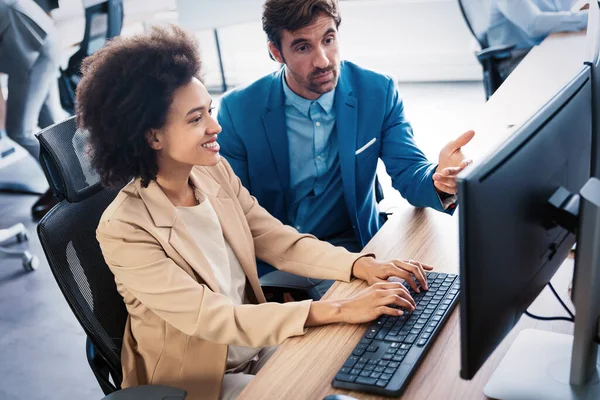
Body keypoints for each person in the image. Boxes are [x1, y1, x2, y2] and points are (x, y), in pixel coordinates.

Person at [79, 25, 433, 400]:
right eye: (196, 119)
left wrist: (361, 265)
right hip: (199, 380)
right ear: (153, 137)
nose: (215, 126)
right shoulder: (124, 228)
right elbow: (212, 318)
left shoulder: (211, 171)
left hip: (258, 343)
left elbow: (277, 239)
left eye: (210, 111)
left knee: (365, 367)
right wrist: (339, 307)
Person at [217, 0, 473, 300]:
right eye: (303, 48)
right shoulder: (238, 110)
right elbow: (233, 212)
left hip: (356, 247)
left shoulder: (377, 91)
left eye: (328, 40)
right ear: (276, 52)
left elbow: (408, 171)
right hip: (278, 262)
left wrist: (441, 179)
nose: (323, 60)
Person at [0, 0, 66, 218]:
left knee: (20, 131)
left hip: (32, 51)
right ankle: (71, 181)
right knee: (52, 125)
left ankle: (65, 182)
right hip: (46, 44)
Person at [488, 0, 589, 79]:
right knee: (579, 72)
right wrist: (587, 17)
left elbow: (560, 12)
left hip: (548, 49)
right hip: (519, 58)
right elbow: (534, 24)